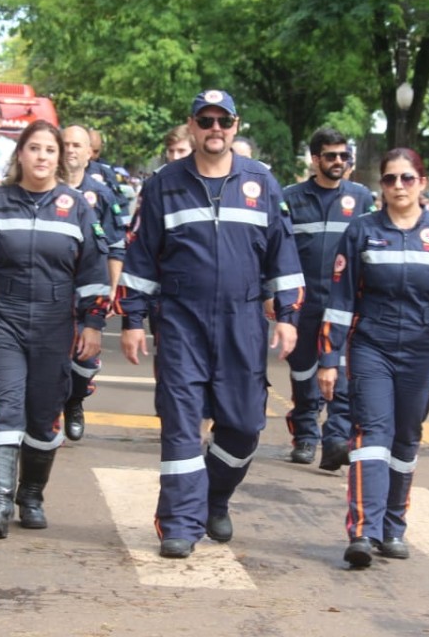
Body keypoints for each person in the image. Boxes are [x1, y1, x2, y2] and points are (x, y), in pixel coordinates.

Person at [117, 89, 304, 559]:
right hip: (181, 319)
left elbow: (282, 252)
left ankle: (214, 498)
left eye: (224, 121)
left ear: (236, 126)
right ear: (193, 125)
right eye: (206, 120)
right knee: (180, 424)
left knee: (243, 426)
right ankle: (179, 522)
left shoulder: (262, 182)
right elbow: (141, 257)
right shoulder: (164, 184)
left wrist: (287, 315)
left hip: (243, 320)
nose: (215, 129)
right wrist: (133, 319)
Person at [0, 120, 109, 539]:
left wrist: (93, 323)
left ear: (59, 157)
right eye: (34, 149)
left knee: (44, 417)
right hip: (5, 321)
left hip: (55, 325)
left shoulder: (77, 206)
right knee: (4, 407)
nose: (42, 156)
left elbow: (93, 273)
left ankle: (30, 495)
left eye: (50, 149)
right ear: (20, 155)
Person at [317, 147, 429, 568]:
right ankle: (363, 532)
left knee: (405, 439)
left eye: (407, 178)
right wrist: (329, 356)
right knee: (372, 434)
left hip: (420, 351)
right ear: (381, 186)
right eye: (390, 179)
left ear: (422, 183)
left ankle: (392, 528)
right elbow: (340, 299)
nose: (399, 187)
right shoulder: (362, 232)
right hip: (371, 345)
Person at [280, 127, 375, 470]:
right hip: (303, 302)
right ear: (315, 159)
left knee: (343, 371)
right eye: (331, 156)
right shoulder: (290, 198)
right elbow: (277, 250)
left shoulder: (362, 198)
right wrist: (271, 294)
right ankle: (306, 435)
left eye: (344, 156)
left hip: (345, 304)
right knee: (304, 372)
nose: (339, 162)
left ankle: (336, 439)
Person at [61, 124, 126, 440]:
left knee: (84, 359)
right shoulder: (45, 187)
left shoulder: (101, 194)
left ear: (90, 153)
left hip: (89, 288)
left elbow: (115, 246)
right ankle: (43, 419)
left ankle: (75, 401)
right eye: (66, 144)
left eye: (77, 145)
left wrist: (113, 290)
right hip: (50, 286)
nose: (70, 150)